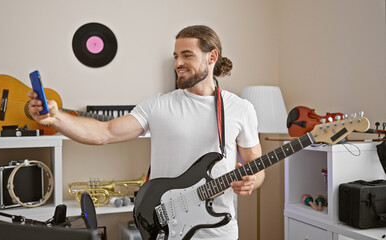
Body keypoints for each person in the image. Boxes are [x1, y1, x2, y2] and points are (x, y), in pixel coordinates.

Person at [27, 25, 264, 240]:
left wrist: (251, 181)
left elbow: (256, 165)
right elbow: (104, 132)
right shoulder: (159, 105)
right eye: (176, 56)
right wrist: (56, 118)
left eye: (187, 55)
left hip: (218, 232)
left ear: (212, 56)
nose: (178, 63)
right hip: (167, 229)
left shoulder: (240, 109)